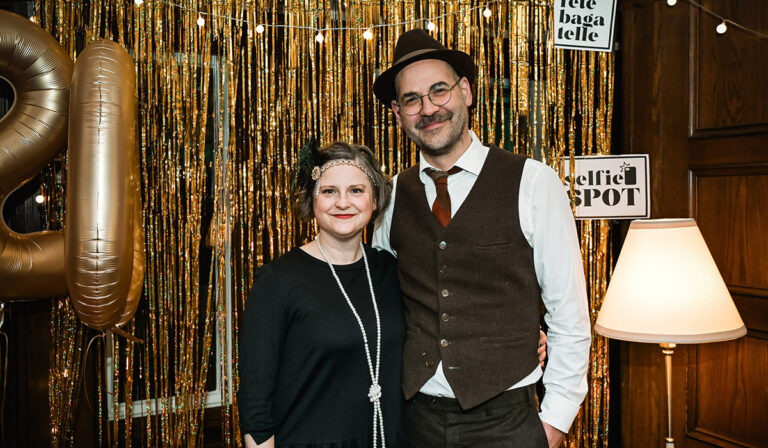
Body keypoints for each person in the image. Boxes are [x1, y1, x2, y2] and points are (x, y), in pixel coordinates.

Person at [371, 29, 592, 448]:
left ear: (466, 92)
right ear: (398, 114)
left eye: (439, 90)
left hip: (508, 422)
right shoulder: (391, 195)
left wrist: (554, 423)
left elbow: (569, 314)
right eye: (412, 100)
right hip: (415, 420)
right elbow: (382, 304)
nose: (428, 109)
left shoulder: (533, 182)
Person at [237, 142, 405, 447]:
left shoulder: (389, 270)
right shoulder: (278, 281)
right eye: (329, 191)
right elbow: (256, 401)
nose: (343, 202)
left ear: (375, 200)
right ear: (311, 199)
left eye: (356, 190)